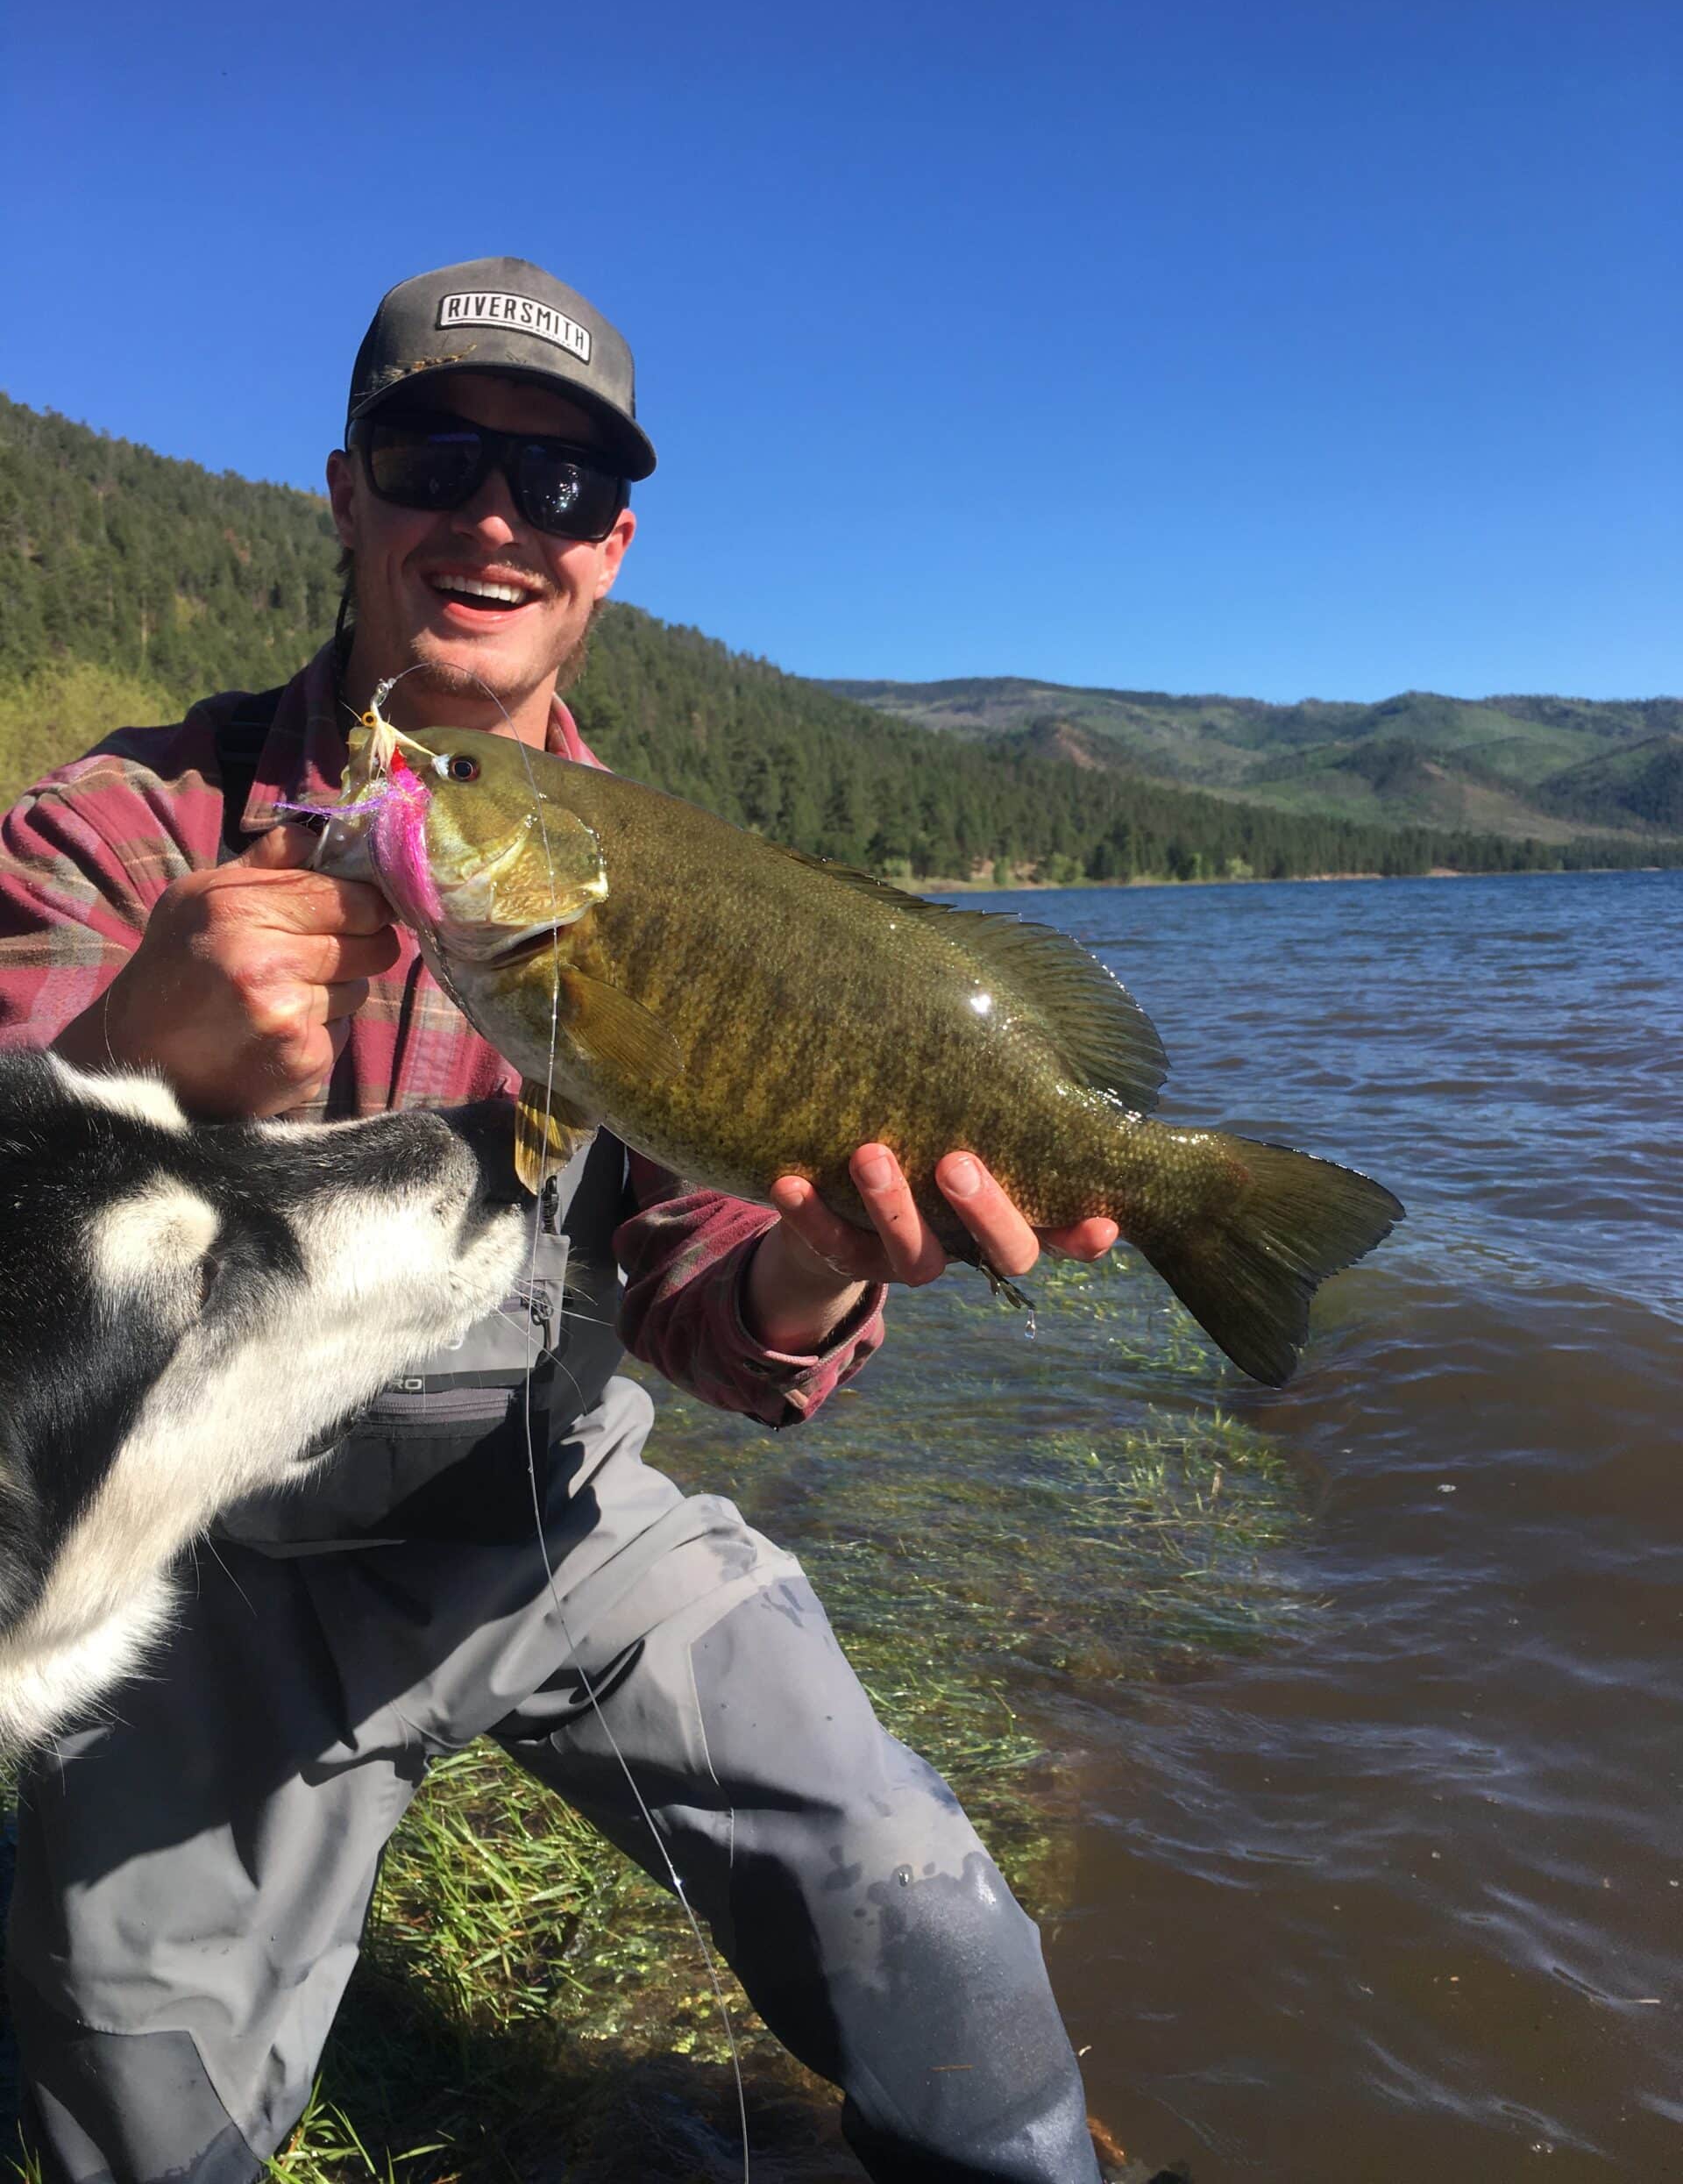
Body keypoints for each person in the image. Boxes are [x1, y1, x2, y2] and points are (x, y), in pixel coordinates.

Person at [0, 257, 1125, 2184]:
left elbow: (708, 1313)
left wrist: (820, 1260)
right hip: (212, 1582)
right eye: (439, 459)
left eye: (564, 485)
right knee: (139, 2124)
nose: (498, 520)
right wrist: (119, 1062)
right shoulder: (116, 833)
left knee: (942, 1935)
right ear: (347, 494)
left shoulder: (676, 893)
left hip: (559, 1524)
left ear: (610, 551)